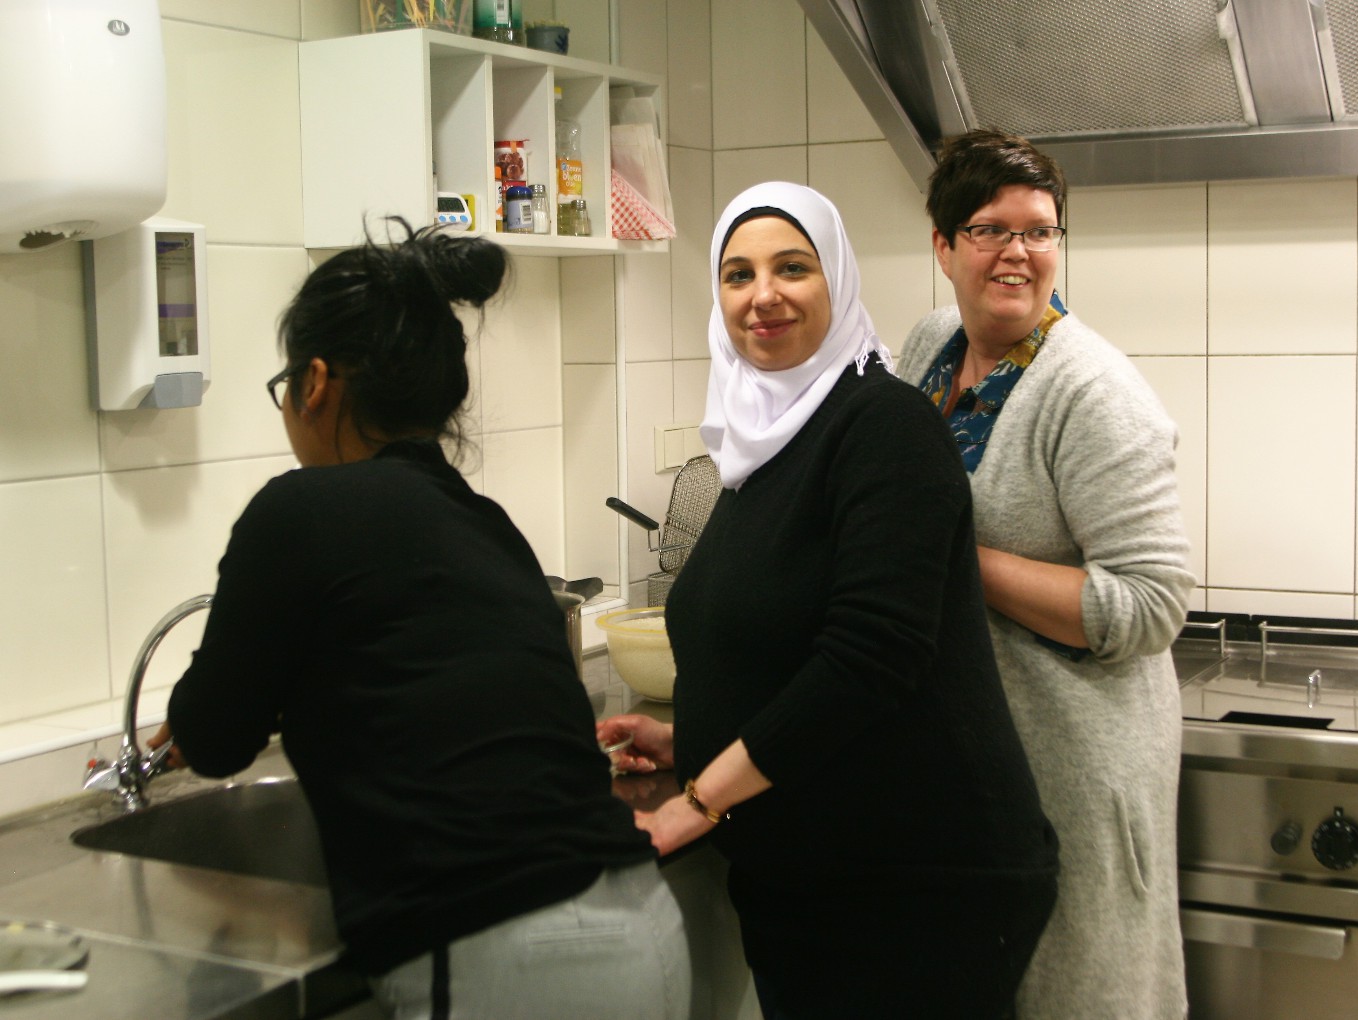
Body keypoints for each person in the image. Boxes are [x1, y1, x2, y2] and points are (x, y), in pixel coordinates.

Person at [152, 220, 690, 1020]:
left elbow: (218, 734)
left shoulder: (296, 512)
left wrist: (183, 725)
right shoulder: (486, 522)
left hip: (504, 957)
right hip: (641, 928)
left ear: (317, 383)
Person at [598, 182, 1059, 1019]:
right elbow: (780, 634)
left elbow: (869, 657)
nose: (763, 295)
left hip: (915, 884)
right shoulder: (757, 444)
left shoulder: (882, 426)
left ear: (837, 281)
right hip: (819, 876)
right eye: (737, 274)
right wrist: (687, 736)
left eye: (792, 268)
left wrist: (699, 801)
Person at [895, 129, 1195, 1020]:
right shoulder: (931, 347)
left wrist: (955, 562)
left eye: (1041, 230)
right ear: (943, 246)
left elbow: (1151, 605)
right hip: (969, 764)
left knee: (1076, 995)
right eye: (990, 230)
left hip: (1073, 771)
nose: (1019, 253)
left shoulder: (1094, 394)